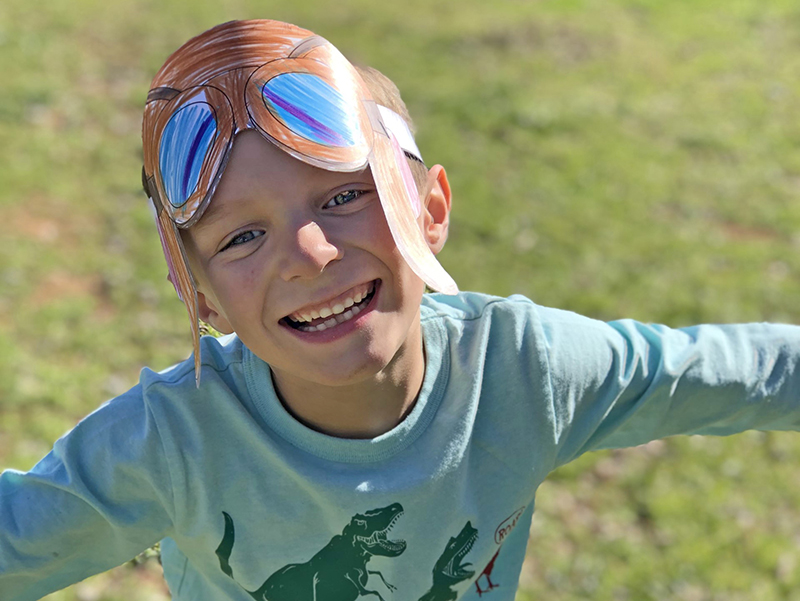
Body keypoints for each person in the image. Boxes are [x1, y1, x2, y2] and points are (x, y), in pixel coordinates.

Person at [1, 18, 799, 601]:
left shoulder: (522, 371)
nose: (310, 252)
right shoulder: (172, 443)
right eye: (243, 235)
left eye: (345, 194)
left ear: (430, 207)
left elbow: (738, 373)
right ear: (198, 292)